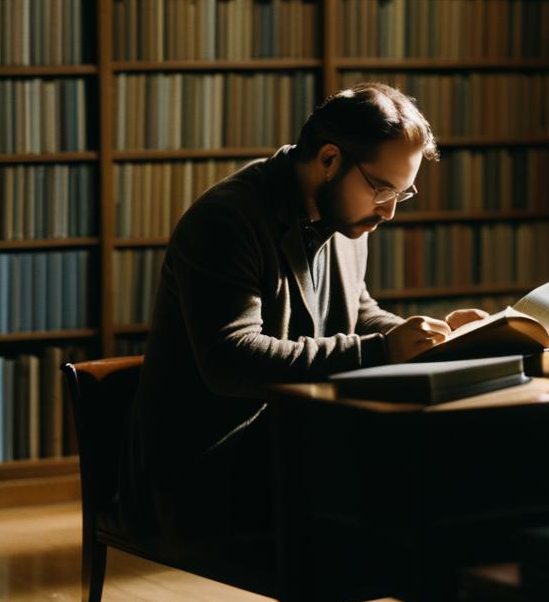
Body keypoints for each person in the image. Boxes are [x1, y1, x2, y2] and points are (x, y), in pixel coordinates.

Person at [119, 82, 486, 547]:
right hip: (209, 469)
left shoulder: (346, 215)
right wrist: (381, 351)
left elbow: (357, 311)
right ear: (330, 160)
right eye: (381, 189)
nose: (389, 211)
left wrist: (430, 339)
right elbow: (231, 360)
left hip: (288, 443)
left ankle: (453, 598)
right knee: (391, 459)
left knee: (445, 444)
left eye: (403, 194)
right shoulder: (225, 221)